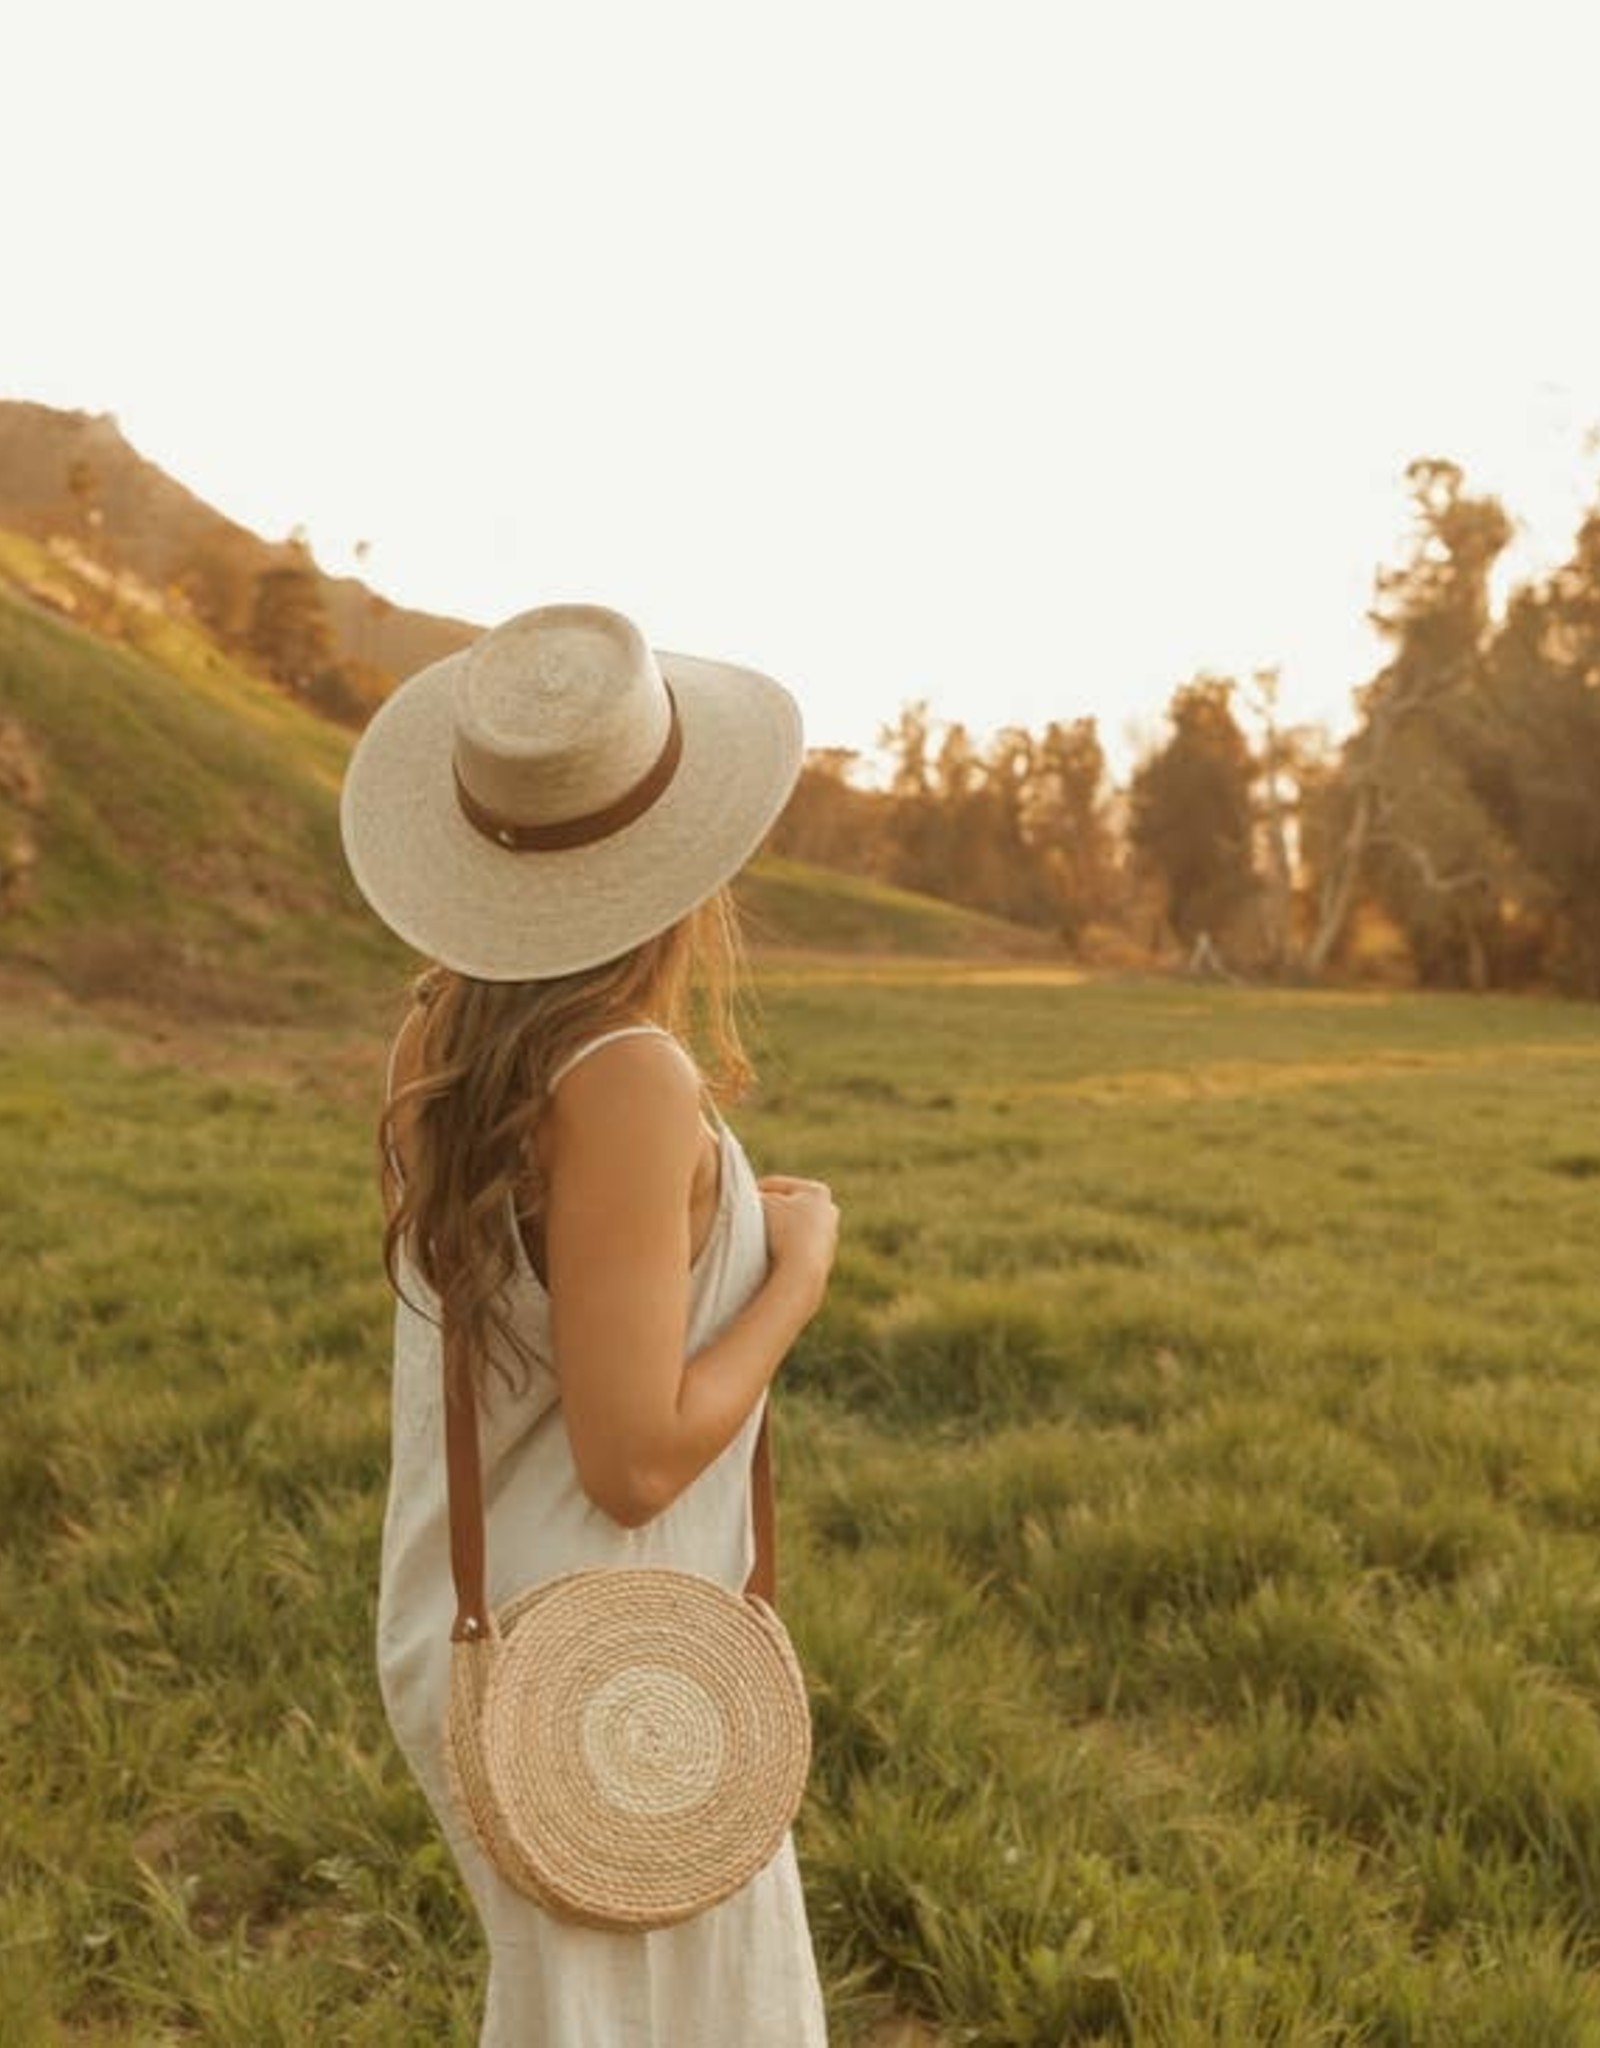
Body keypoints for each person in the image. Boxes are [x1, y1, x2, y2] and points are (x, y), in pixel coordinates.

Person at [339, 603, 839, 2044]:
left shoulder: (453, 1030)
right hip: (608, 1665)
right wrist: (801, 1265)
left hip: (508, 1620)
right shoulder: (622, 1076)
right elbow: (635, 1461)